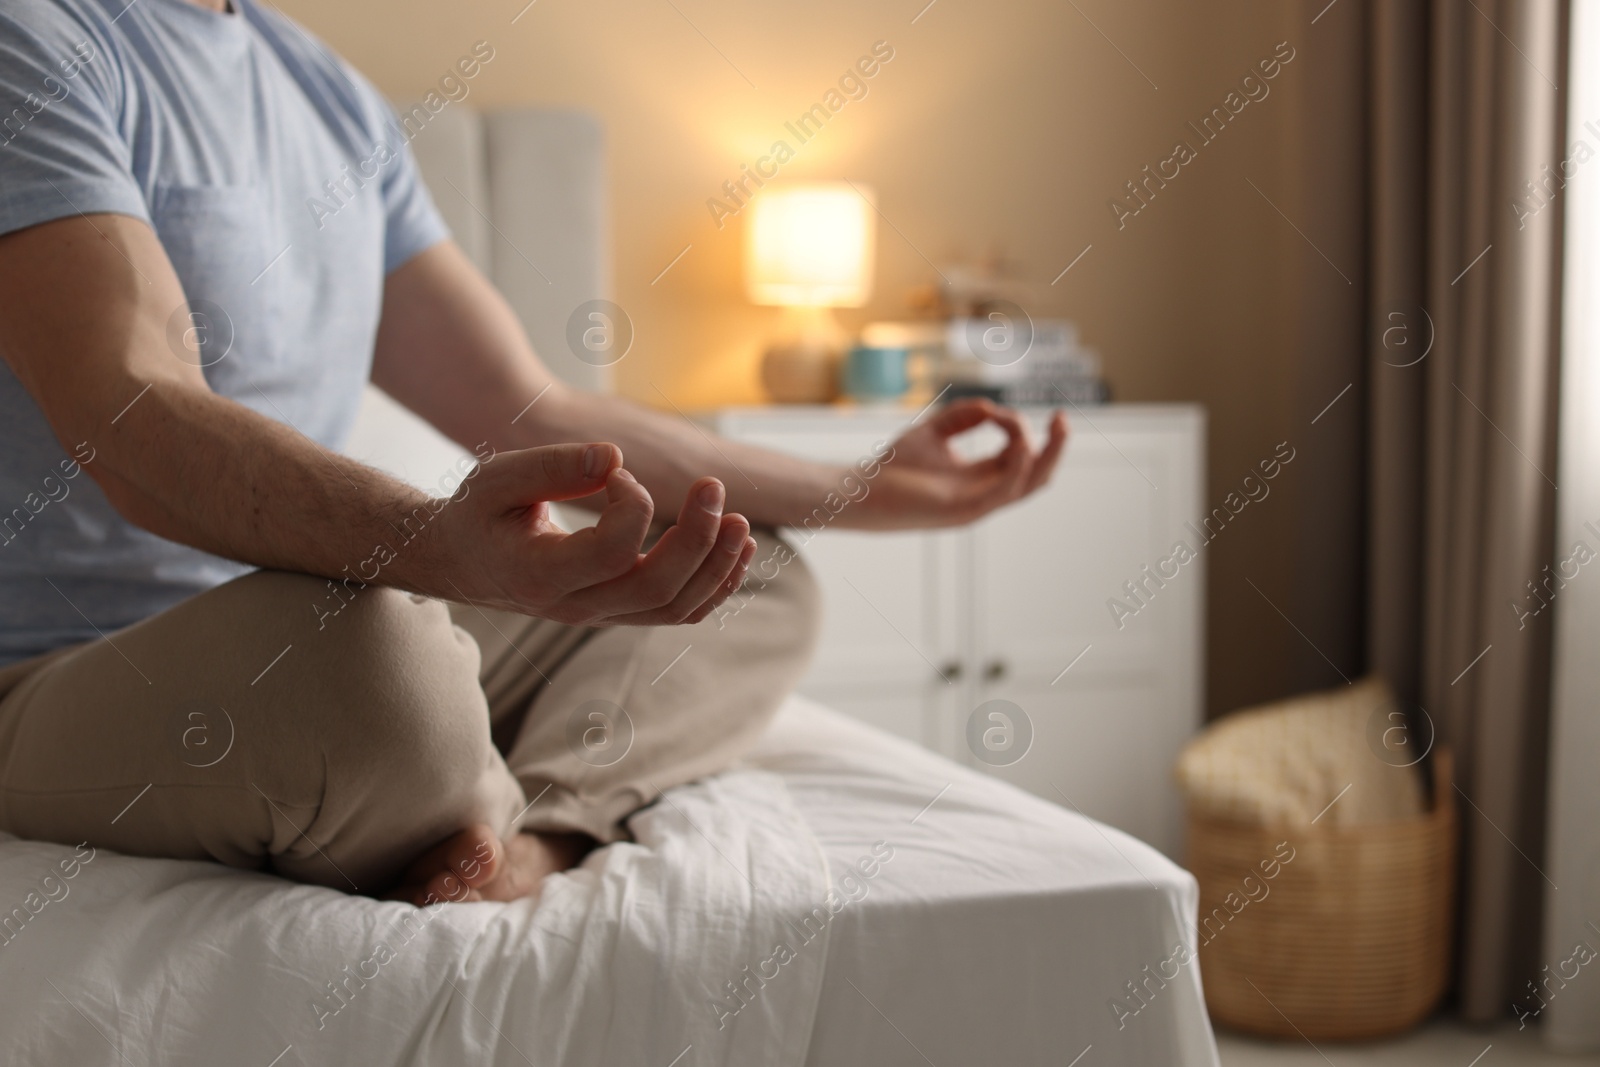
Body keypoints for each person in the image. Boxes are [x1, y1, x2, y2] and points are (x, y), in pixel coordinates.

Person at [0, 0, 1067, 906]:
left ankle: (534, 837)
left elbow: (524, 407)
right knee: (378, 671)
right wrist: (433, 544)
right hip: (67, 665)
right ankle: (443, 752)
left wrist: (859, 487)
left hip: (324, 609)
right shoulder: (35, 40)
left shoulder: (330, 96)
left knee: (758, 577)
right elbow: (130, 414)